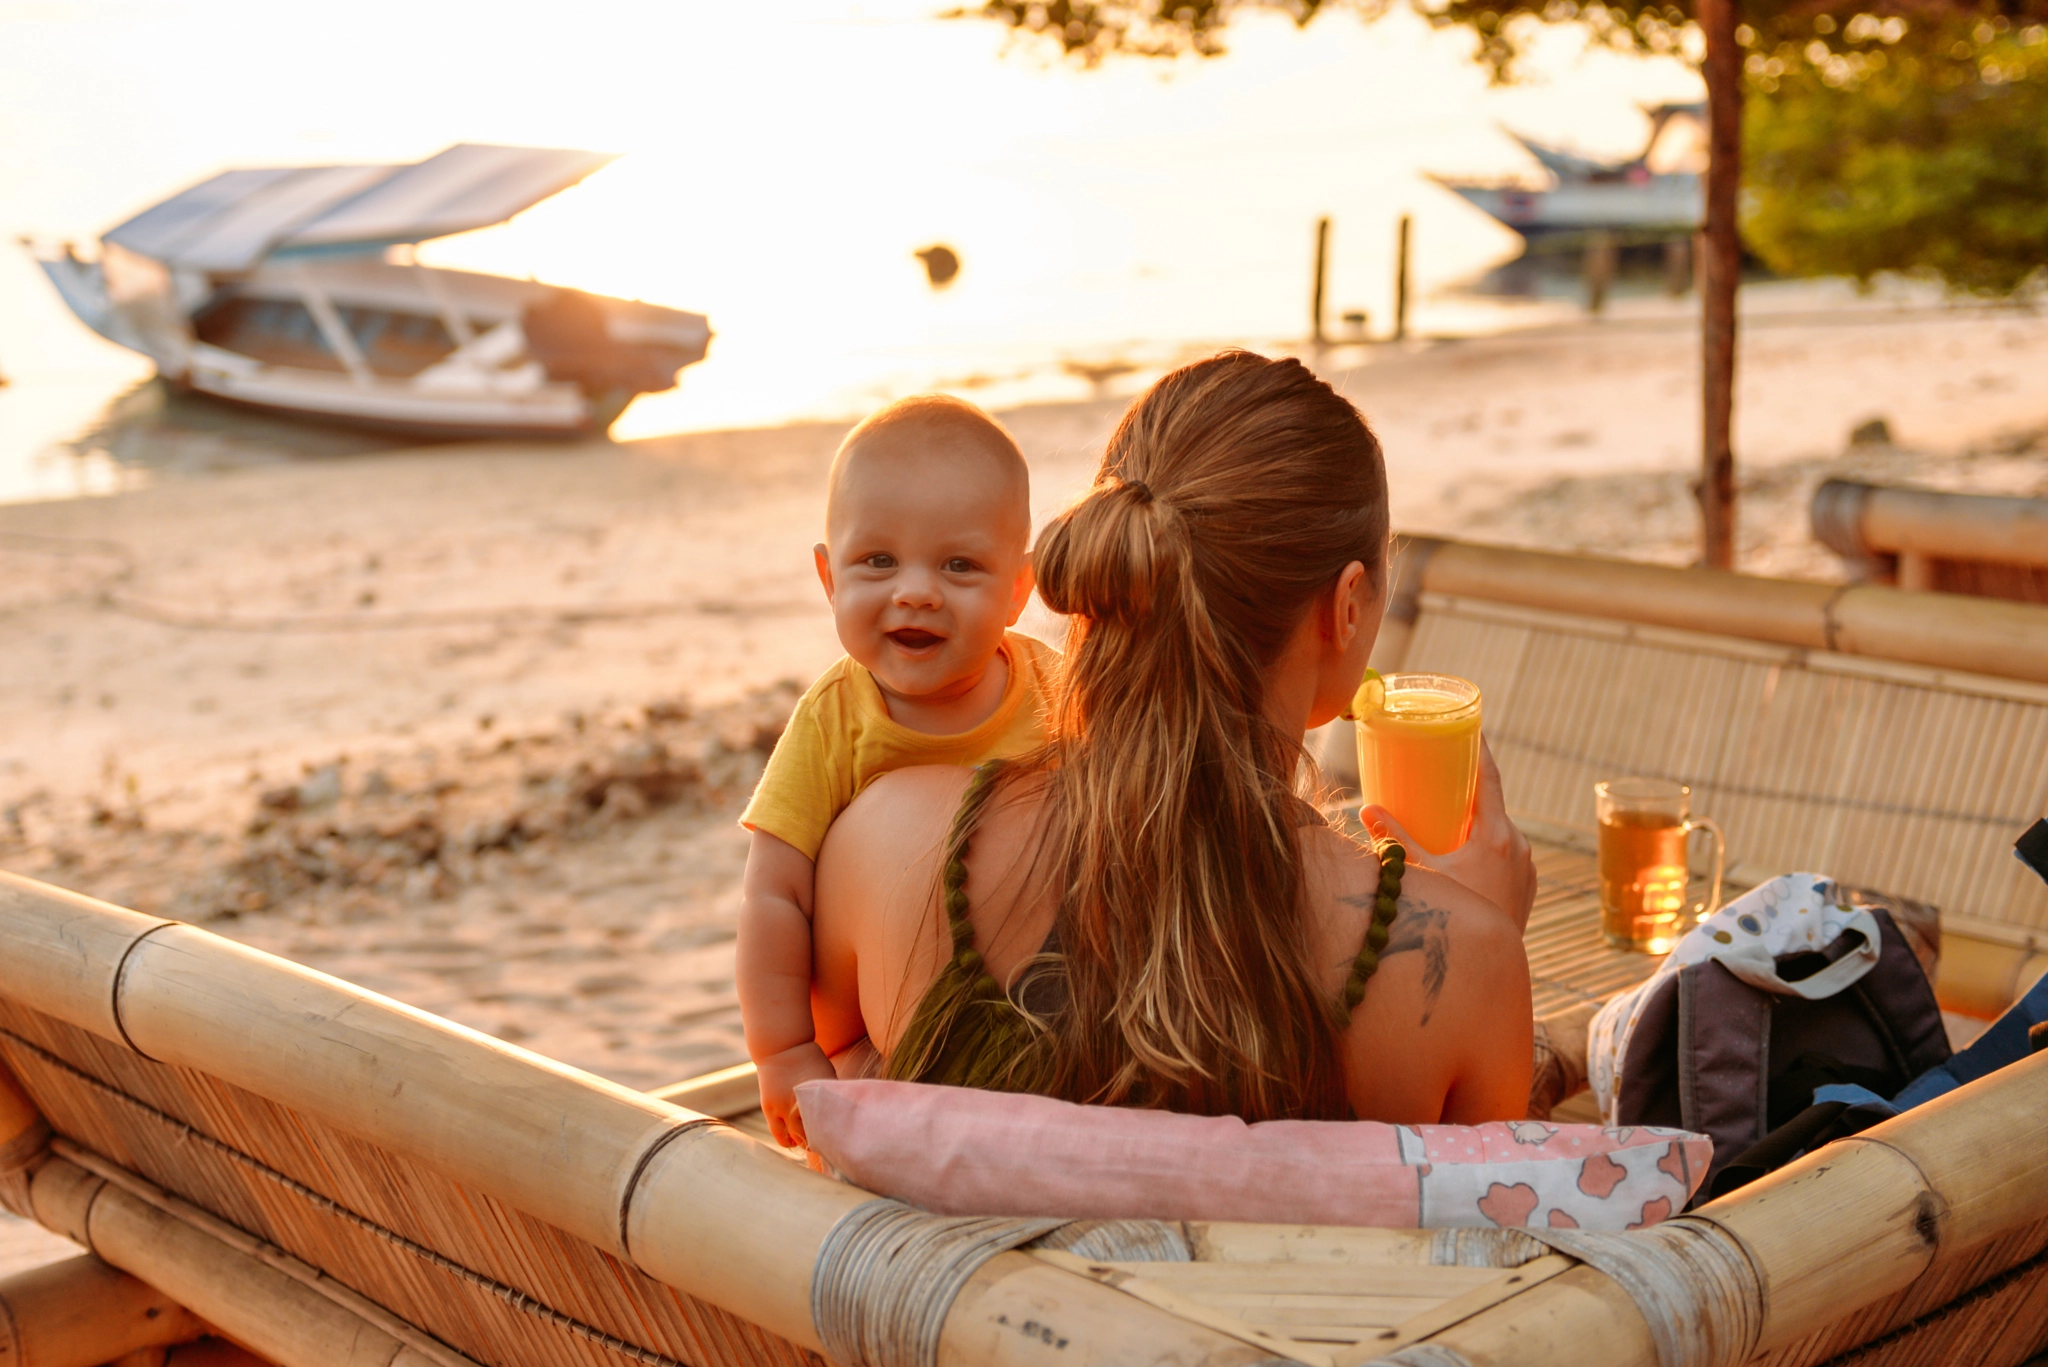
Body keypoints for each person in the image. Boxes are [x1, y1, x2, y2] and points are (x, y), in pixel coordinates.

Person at [808, 352, 1537, 1125]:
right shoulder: (1465, 961)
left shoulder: (880, 840)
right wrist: (1475, 925)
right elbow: (1488, 1214)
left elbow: (834, 1108)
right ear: (1347, 604)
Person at [737, 395, 1059, 1147]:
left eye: (959, 564)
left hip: (1014, 1011)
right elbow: (773, 893)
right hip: (857, 1039)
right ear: (828, 578)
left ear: (1017, 590)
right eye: (877, 561)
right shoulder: (834, 719)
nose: (915, 590)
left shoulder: (1057, 694)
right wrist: (784, 1050)